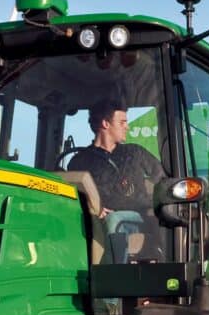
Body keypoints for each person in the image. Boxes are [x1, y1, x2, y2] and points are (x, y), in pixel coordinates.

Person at [68, 100, 167, 259]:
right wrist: (94, 208)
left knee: (115, 219)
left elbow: (164, 182)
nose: (127, 127)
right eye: (122, 122)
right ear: (106, 124)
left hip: (138, 217)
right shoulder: (79, 162)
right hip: (97, 218)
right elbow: (74, 195)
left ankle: (115, 277)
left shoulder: (135, 152)